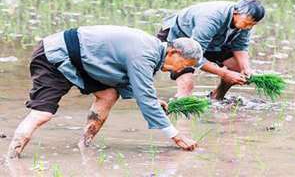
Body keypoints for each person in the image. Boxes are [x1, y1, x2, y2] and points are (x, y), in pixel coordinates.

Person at [8, 25, 203, 158]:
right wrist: (176, 135)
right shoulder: (145, 54)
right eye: (184, 64)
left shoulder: (152, 52)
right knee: (42, 113)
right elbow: (145, 98)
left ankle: (84, 143)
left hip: (81, 60)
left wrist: (151, 99)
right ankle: (11, 158)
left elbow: (134, 86)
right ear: (173, 52)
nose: (180, 70)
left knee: (108, 94)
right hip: (55, 54)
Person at [157, 0, 265, 99]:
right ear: (235, 13)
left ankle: (217, 97)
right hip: (180, 38)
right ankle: (179, 109)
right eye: (247, 23)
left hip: (213, 41)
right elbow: (196, 56)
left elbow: (240, 46)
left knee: (237, 69)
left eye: (252, 25)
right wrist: (224, 73)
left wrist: (245, 68)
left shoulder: (244, 22)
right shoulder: (210, 19)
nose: (249, 27)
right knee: (187, 86)